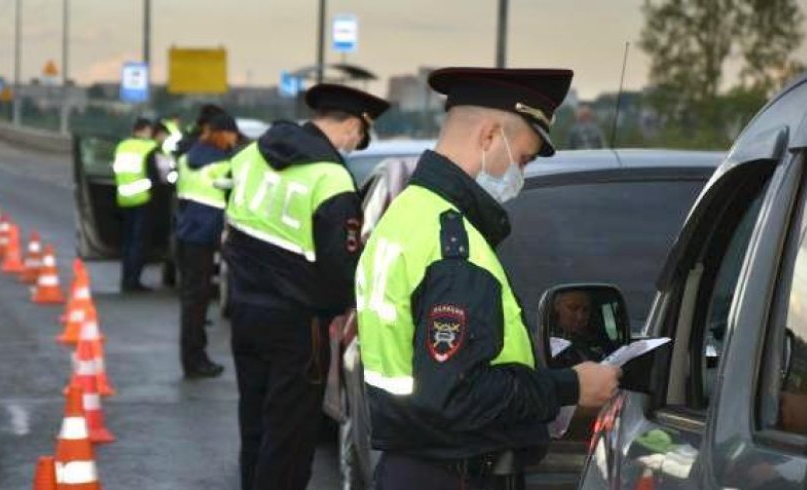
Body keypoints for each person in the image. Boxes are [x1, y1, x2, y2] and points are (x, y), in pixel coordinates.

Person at [355, 67, 622, 490]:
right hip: (454, 474)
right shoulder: (452, 244)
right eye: (523, 159)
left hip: (411, 464)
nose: (521, 174)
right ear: (489, 136)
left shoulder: (406, 215)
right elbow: (456, 395)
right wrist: (570, 385)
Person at [222, 83, 390, 490]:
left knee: (256, 426)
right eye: (359, 135)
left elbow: (231, 225)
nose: (354, 145)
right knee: (290, 438)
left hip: (244, 311)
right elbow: (341, 268)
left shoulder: (249, 156)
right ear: (351, 124)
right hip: (298, 326)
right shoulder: (331, 178)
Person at [175, 112, 241, 378]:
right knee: (197, 304)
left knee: (193, 302)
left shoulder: (185, 160)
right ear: (223, 134)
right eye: (233, 135)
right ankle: (195, 360)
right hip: (204, 238)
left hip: (184, 235)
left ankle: (194, 356)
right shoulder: (223, 166)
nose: (235, 140)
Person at [112, 118, 158, 292]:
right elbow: (153, 177)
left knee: (127, 242)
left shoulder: (122, 147)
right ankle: (134, 281)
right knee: (139, 243)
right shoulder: (148, 148)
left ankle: (125, 279)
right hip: (142, 199)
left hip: (124, 198)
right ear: (144, 130)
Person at [552, 290, 617, 365]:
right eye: (573, 308)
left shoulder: (598, 336)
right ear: (556, 306)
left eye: (586, 310)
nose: (580, 317)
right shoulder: (547, 338)